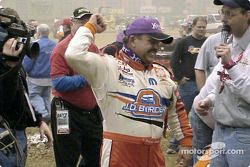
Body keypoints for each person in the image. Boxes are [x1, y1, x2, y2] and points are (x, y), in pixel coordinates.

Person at [65, 14, 193, 167]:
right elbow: (73, 54)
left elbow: (176, 111)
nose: (157, 47)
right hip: (120, 153)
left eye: (159, 42)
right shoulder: (108, 67)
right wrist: (90, 27)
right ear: (132, 41)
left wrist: (185, 144)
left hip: (154, 154)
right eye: (151, 41)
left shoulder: (162, 73)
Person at [195, 0, 250, 166]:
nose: (224, 19)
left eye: (230, 14)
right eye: (223, 13)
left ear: (247, 15)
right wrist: (210, 100)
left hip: (243, 134)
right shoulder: (230, 45)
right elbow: (224, 83)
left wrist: (230, 65)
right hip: (220, 130)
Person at [50, 7, 103, 167]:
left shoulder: (93, 48)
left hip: (91, 112)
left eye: (88, 23)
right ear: (72, 23)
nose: (84, 26)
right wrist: (87, 76)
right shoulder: (61, 49)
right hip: (65, 110)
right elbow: (59, 83)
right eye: (81, 22)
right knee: (67, 158)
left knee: (95, 157)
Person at [0, 8, 53, 167]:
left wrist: (38, 121)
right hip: (4, 136)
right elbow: (4, 101)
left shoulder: (13, 60)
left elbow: (21, 93)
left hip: (17, 133)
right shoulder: (9, 61)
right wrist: (8, 66)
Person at [169, 16, 207, 154]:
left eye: (204, 27)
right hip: (188, 84)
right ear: (193, 27)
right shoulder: (184, 42)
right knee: (182, 114)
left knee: (204, 113)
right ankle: (174, 144)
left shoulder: (208, 42)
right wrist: (179, 78)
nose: (201, 29)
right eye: (199, 27)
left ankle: (203, 143)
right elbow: (174, 60)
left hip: (204, 84)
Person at [23, 24, 56, 122]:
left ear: (38, 33)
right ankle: (49, 114)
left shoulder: (35, 44)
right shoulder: (54, 45)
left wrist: (25, 71)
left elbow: (28, 62)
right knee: (46, 96)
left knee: (34, 96)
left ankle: (43, 115)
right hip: (50, 77)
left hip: (36, 78)